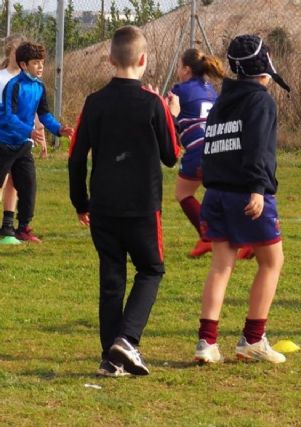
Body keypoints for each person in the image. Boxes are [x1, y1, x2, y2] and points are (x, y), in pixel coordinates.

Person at [68, 25, 180, 377]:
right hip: (143, 207)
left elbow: (75, 158)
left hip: (103, 206)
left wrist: (80, 202)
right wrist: (170, 115)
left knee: (112, 277)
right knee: (151, 270)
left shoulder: (94, 102)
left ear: (110, 58)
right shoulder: (153, 104)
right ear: (143, 60)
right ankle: (127, 340)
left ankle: (109, 358)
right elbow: (171, 155)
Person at [193, 34, 291, 364]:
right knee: (272, 262)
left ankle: (206, 344)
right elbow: (259, 147)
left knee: (221, 266)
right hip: (246, 194)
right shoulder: (261, 101)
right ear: (264, 66)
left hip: (216, 193)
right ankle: (252, 339)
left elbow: (215, 146)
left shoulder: (224, 99)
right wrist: (258, 189)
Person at [0, 41, 73, 244]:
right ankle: (6, 227)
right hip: (4, 143)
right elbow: (7, 116)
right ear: (23, 65)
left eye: (42, 62)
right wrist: (29, 131)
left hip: (23, 145)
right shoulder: (14, 86)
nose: (40, 66)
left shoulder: (39, 87)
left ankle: (22, 228)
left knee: (28, 186)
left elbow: (44, 114)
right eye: (36, 63)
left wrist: (58, 129)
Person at [171, 48, 227, 258]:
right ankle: (248, 239)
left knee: (183, 194)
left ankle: (207, 238)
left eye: (179, 66)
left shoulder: (179, 91)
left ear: (186, 69)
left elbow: (166, 119)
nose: (178, 70)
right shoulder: (211, 90)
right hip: (220, 147)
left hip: (198, 149)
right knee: (223, 194)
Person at [0, 35, 46, 245]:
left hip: (22, 142)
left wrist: (40, 134)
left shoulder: (32, 83)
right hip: (4, 140)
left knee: (18, 184)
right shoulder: (3, 79)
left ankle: (10, 227)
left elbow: (36, 110)